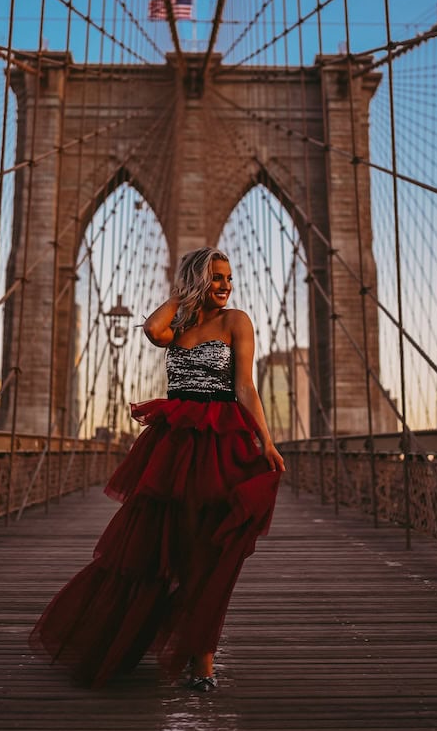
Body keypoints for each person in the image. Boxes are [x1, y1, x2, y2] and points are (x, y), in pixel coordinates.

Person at [29, 246, 285, 692]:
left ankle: (201, 660)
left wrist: (267, 440)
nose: (226, 286)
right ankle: (138, 638)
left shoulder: (236, 322)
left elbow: (244, 385)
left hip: (218, 443)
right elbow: (152, 328)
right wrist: (185, 293)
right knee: (160, 546)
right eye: (217, 278)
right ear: (198, 280)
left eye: (228, 278)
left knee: (206, 549)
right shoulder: (180, 325)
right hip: (174, 445)